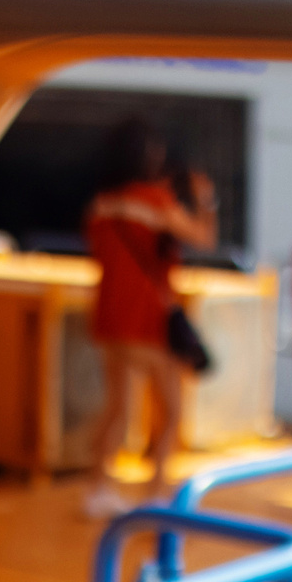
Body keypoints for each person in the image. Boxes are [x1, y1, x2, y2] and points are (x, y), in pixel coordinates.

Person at [78, 119, 218, 519]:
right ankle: (155, 494)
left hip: (108, 313)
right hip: (146, 316)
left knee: (117, 407)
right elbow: (203, 238)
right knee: (170, 409)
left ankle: (97, 489)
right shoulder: (155, 201)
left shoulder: (101, 204)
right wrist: (205, 200)